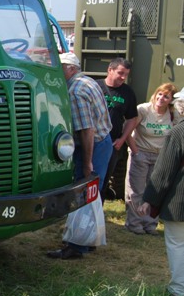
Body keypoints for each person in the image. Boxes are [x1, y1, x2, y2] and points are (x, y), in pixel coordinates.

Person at [48, 52, 112, 259]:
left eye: (62, 67)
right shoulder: (89, 82)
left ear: (71, 69)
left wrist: (87, 162)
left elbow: (87, 130)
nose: (58, 71)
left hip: (94, 146)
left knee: (83, 193)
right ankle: (89, 239)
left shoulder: (75, 91)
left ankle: (77, 246)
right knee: (93, 194)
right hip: (104, 140)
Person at [125, 82, 180, 235]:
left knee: (155, 189)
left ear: (171, 100)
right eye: (160, 94)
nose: (161, 98)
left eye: (166, 96)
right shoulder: (143, 109)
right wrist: (136, 152)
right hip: (141, 152)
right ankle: (134, 223)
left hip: (160, 156)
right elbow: (127, 131)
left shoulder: (172, 114)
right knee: (136, 190)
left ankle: (150, 224)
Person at [137, 122, 184, 296]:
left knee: (178, 245)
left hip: (180, 201)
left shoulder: (179, 131)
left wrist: (149, 199)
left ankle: (179, 291)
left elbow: (164, 171)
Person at [98, 58, 138, 198]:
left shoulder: (127, 92)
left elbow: (132, 118)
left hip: (113, 143)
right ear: (110, 70)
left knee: (103, 180)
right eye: (120, 73)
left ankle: (98, 213)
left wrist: (122, 139)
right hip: (93, 140)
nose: (123, 77)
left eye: (126, 74)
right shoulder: (95, 86)